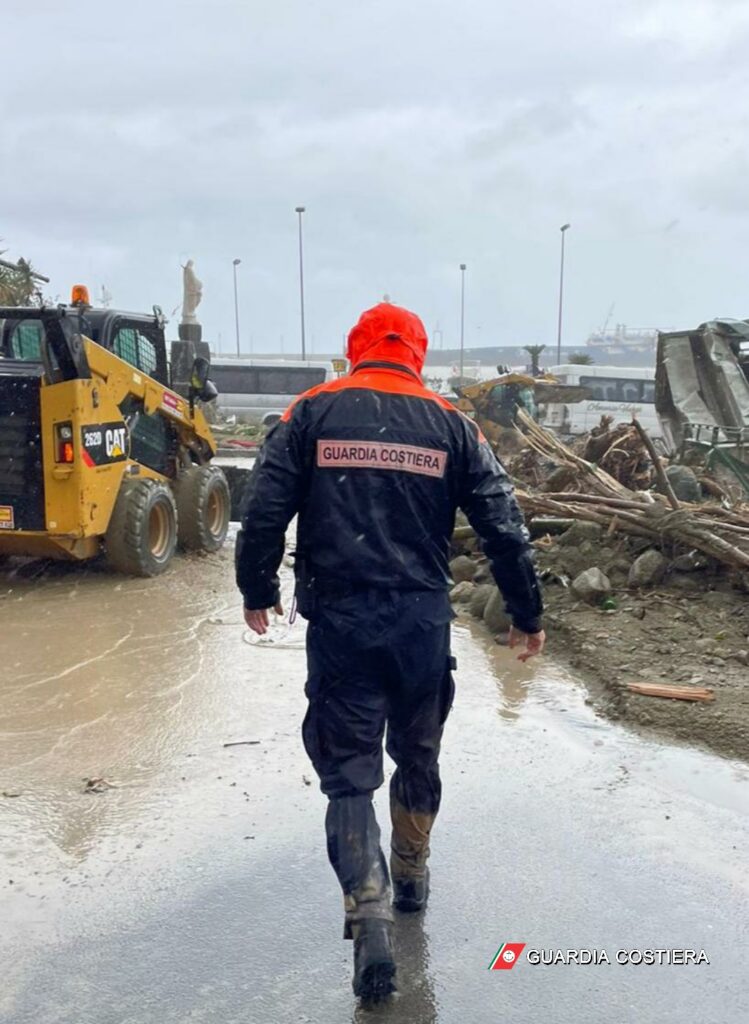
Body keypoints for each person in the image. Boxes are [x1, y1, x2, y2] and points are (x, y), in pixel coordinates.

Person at [235, 302, 544, 1003]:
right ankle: (411, 873)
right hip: (419, 624)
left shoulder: (308, 412)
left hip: (341, 624)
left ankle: (368, 910)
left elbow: (261, 511)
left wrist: (257, 590)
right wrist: (526, 614)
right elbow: (503, 525)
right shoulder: (452, 425)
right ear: (418, 354)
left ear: (356, 350)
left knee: (348, 776)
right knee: (418, 752)